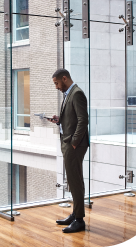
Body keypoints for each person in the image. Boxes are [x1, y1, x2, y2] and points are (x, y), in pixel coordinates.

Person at [47, 68, 89, 233]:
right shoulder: (68, 94)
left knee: (75, 181)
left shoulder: (77, 93)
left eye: (57, 83)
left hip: (74, 145)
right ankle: (75, 214)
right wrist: (59, 120)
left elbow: (83, 120)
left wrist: (74, 142)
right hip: (69, 143)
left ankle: (79, 220)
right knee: (73, 180)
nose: (56, 87)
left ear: (64, 79)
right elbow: (72, 118)